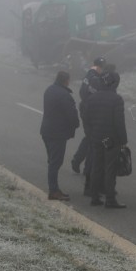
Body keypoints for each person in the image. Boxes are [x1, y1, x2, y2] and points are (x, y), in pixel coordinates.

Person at [82, 67, 128, 208]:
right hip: (111, 139)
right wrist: (123, 140)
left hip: (96, 136)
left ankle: (94, 196)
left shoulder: (92, 98)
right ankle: (110, 199)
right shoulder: (116, 99)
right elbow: (119, 122)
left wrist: (90, 134)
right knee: (110, 169)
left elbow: (86, 118)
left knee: (97, 167)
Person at [40, 71, 80, 200]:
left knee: (52, 160)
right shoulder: (64, 95)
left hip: (46, 130)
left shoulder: (49, 90)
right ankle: (53, 190)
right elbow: (71, 115)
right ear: (66, 80)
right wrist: (76, 124)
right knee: (55, 163)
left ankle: (54, 188)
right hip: (58, 133)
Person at [71, 57, 107, 196]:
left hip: (85, 108)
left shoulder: (89, 75)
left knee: (89, 137)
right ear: (100, 67)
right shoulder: (95, 78)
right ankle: (86, 168)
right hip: (90, 110)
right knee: (92, 140)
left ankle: (78, 160)